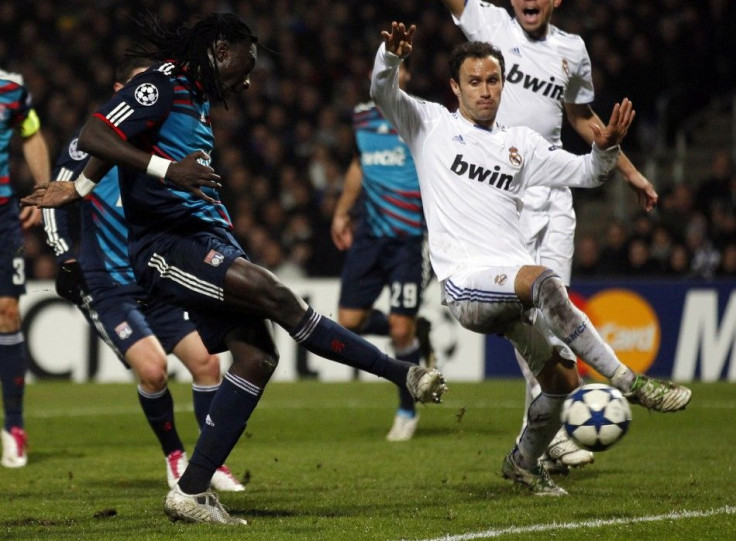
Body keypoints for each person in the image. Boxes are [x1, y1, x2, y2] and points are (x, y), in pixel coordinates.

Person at [21, 13, 447, 524]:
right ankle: (403, 374)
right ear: (221, 50)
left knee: (257, 358)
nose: (247, 80)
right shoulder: (163, 82)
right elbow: (97, 132)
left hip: (207, 236)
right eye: (244, 66)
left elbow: (121, 142)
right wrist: (165, 170)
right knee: (280, 298)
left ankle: (192, 490)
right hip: (167, 246)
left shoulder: (196, 98)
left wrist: (82, 188)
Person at [370, 21, 691, 495]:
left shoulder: (521, 145)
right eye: (474, 82)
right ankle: (631, 383)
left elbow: (586, 173)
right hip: (466, 284)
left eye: (493, 80)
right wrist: (389, 58)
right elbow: (382, 94)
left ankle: (523, 462)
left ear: (504, 83)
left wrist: (607, 150)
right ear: (454, 87)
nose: (485, 91)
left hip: (508, 286)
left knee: (560, 379)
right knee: (544, 280)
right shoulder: (429, 125)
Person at [440, 0, 659, 473]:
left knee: (555, 310)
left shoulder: (571, 50)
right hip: (504, 189)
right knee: (532, 315)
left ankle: (545, 435)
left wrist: (627, 170)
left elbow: (583, 118)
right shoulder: (490, 23)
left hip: (553, 184)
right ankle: (551, 432)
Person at [42, 58, 244, 492]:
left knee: (209, 364)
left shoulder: (165, 145)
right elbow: (56, 199)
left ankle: (208, 464)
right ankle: (174, 456)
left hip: (157, 276)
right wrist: (63, 257)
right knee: (153, 371)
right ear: (119, 90)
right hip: (110, 283)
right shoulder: (85, 147)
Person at [331, 61, 436, 442]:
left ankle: (407, 408)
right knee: (348, 322)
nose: (395, 75)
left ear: (408, 77)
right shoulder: (360, 118)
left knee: (398, 328)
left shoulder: (419, 117)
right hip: (369, 237)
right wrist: (342, 212)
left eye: (402, 70)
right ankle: (418, 331)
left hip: (408, 239)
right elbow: (360, 165)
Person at [0, 66, 50, 468]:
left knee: (8, 312)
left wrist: (42, 190)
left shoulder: (12, 89)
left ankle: (14, 427)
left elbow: (30, 133)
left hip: (3, 218)